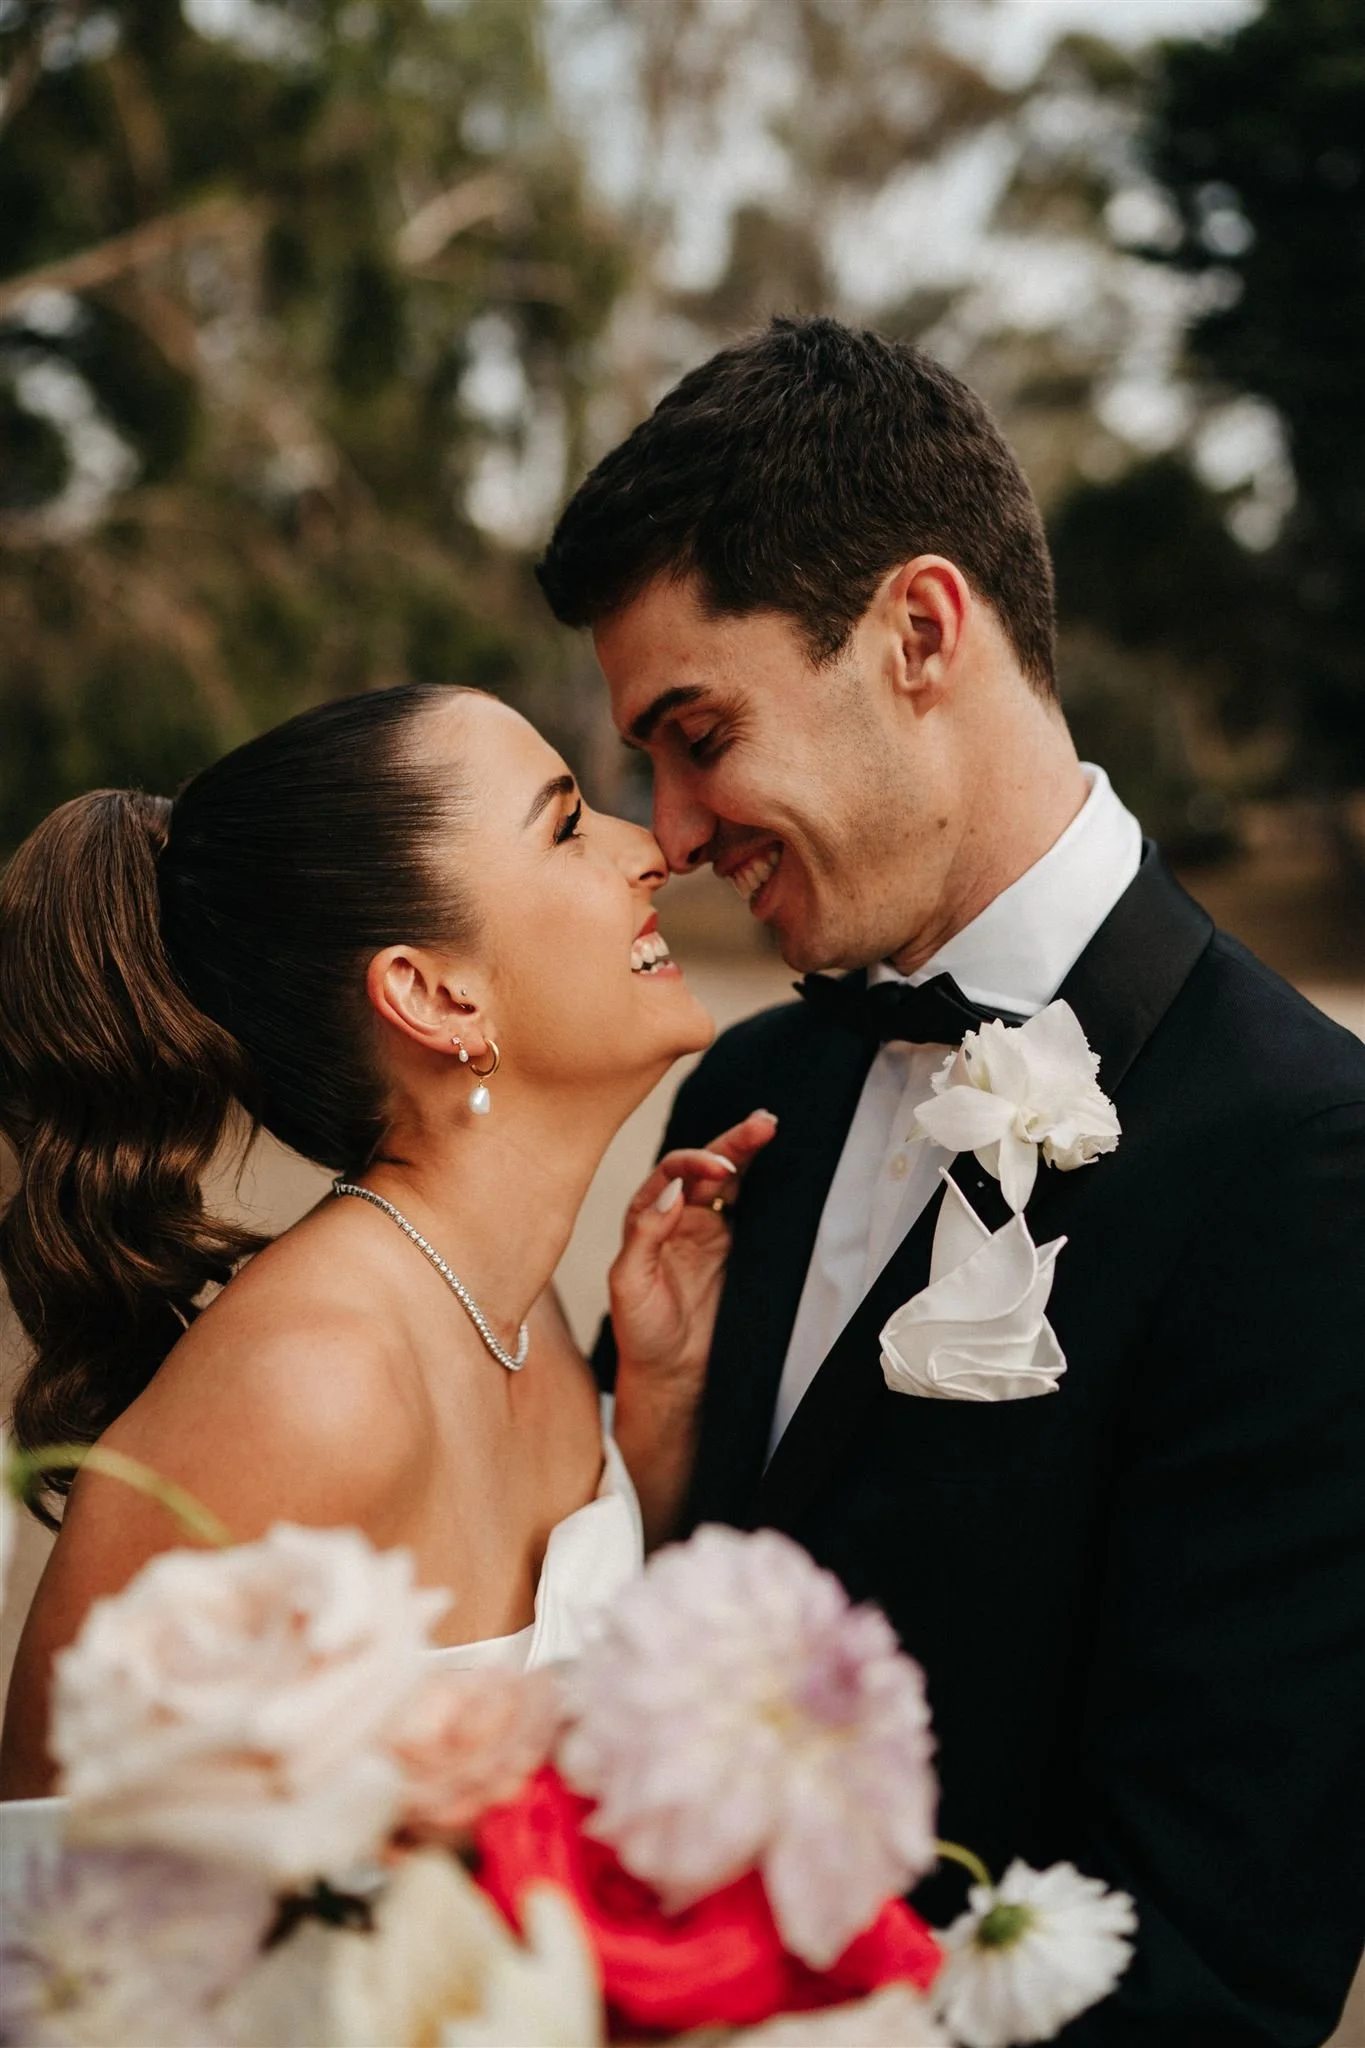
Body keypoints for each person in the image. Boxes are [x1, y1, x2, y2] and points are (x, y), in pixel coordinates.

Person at [537, 317, 1365, 2047]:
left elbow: (1221, 1953)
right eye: (647, 769)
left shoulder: (1303, 1155)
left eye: (699, 733)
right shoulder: (755, 1083)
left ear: (920, 629)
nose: (674, 831)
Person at [0, 683, 774, 1796]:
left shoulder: (516, 1303)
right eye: (565, 824)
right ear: (432, 994)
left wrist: (651, 1409)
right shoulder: (309, 1386)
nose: (649, 845)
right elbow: (63, 1915)